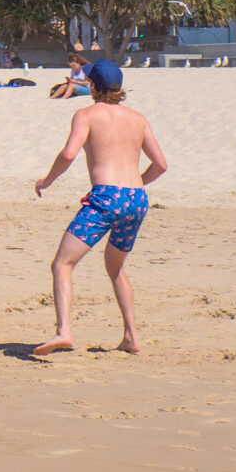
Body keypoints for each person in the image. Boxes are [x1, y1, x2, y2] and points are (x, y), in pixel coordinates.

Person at [30, 58, 170, 355]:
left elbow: (68, 154)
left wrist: (47, 181)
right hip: (136, 200)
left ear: (92, 86)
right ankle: (131, 337)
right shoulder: (138, 118)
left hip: (106, 197)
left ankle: (63, 332)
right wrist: (136, 184)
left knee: (62, 264)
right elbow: (161, 165)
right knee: (115, 268)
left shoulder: (86, 114)